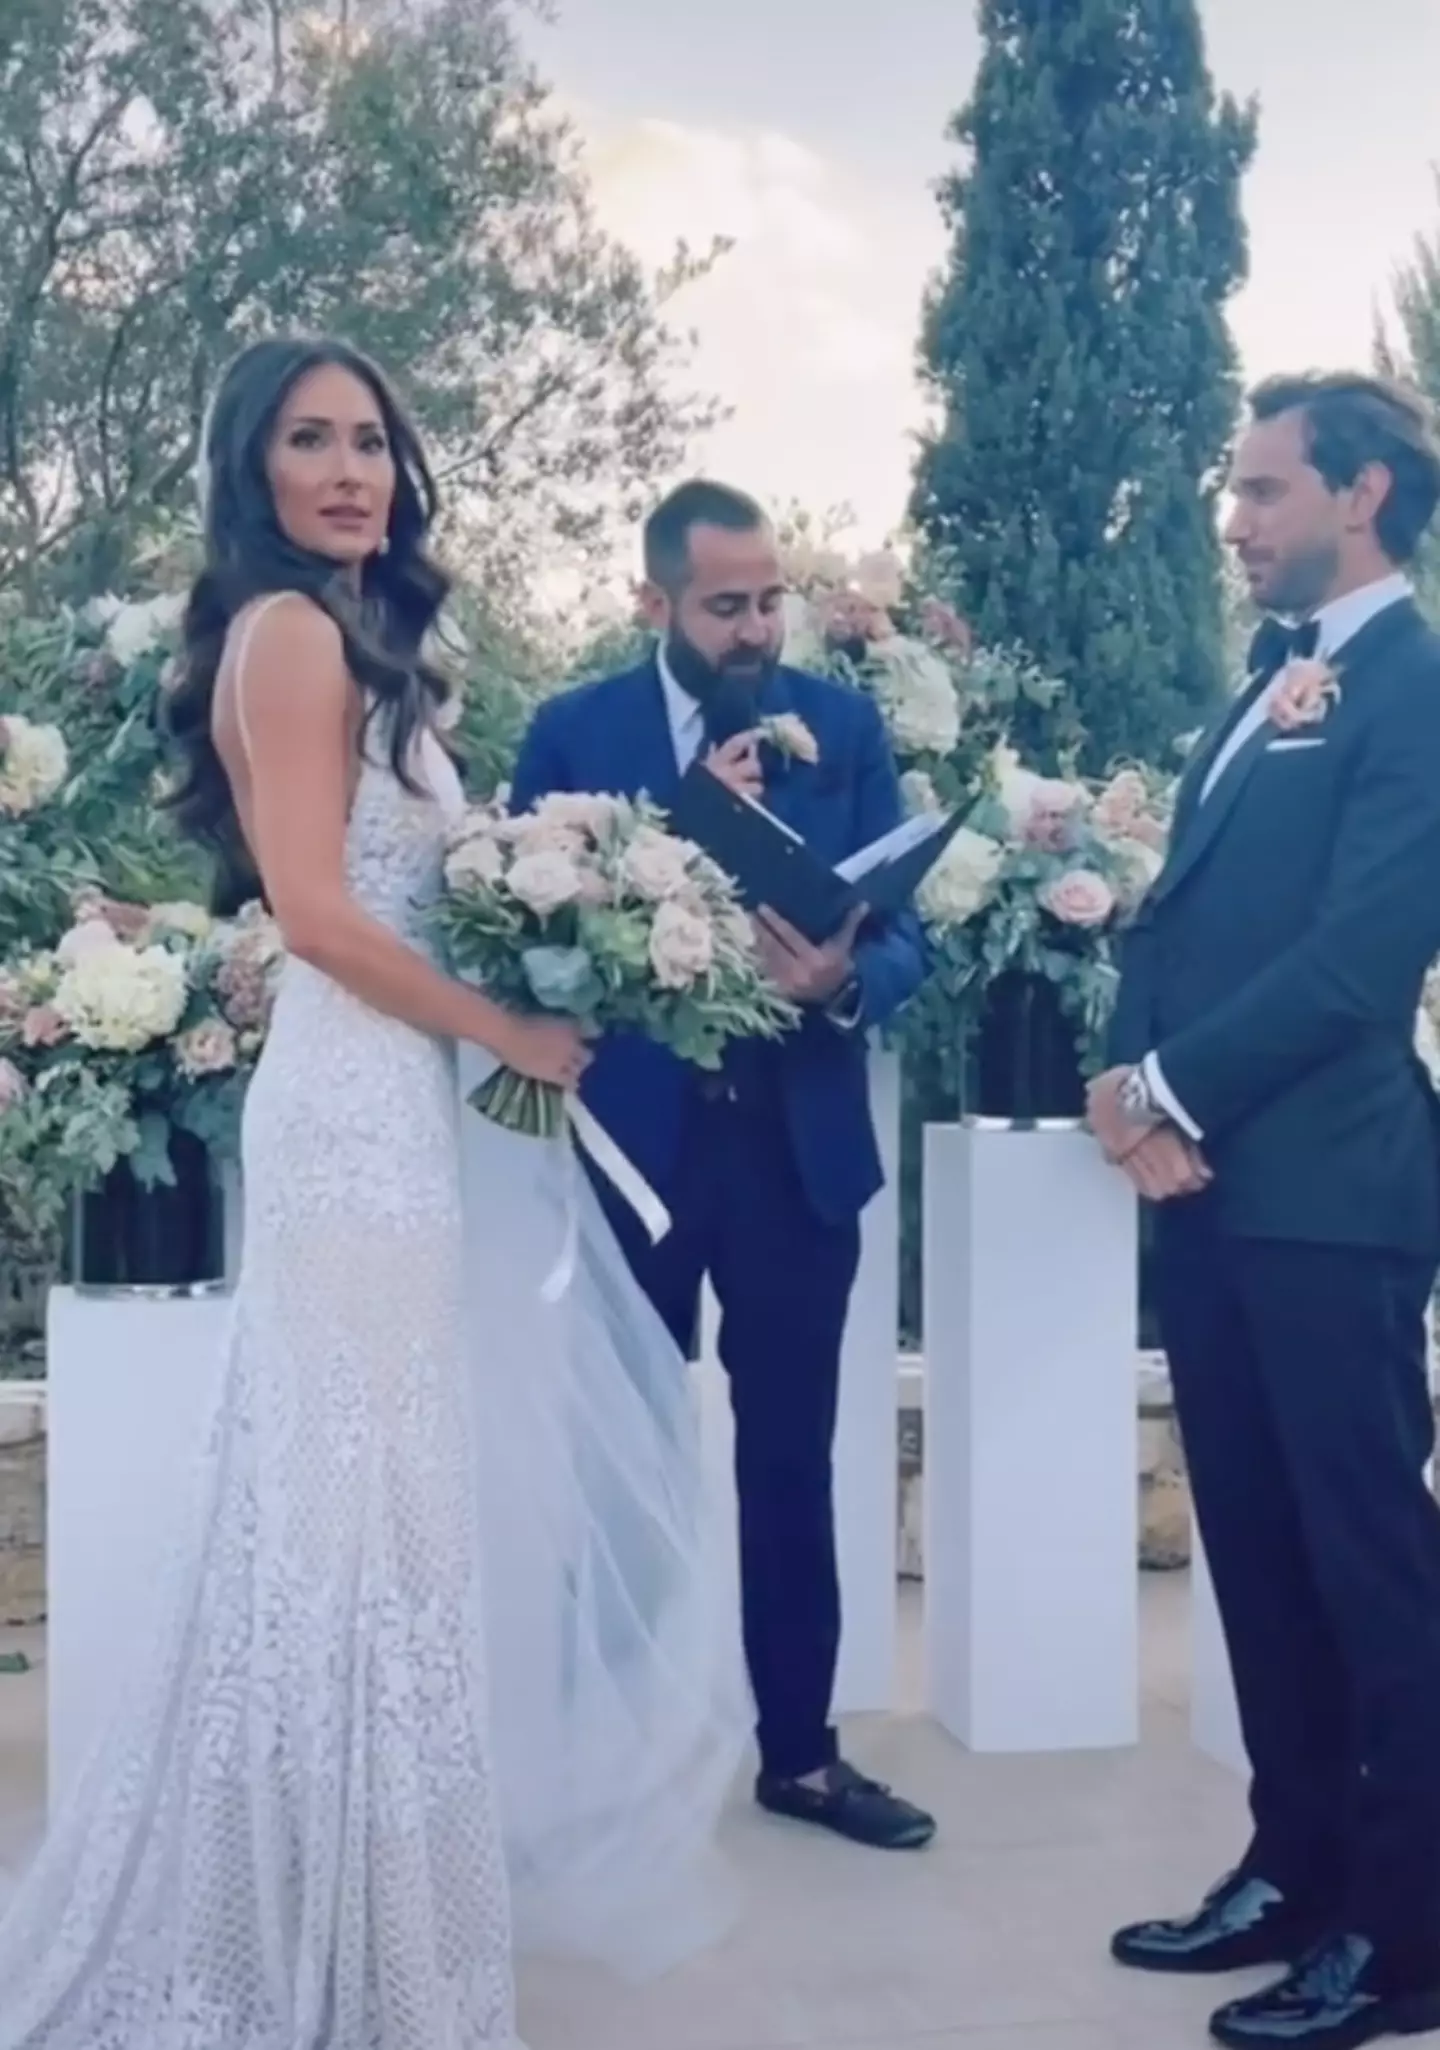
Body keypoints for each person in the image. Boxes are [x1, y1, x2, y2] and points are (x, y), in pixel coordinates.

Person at [0, 337, 748, 2048]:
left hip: (402, 1103)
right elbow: (320, 918)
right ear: (252, 473)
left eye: (370, 442)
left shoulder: (368, 647)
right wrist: (510, 1029)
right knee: (344, 1519)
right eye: (308, 442)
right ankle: (315, 1941)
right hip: (353, 1112)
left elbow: (401, 897)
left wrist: (536, 946)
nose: (350, 471)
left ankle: (361, 1923)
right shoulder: (280, 633)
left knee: (376, 1513)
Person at [509, 480, 936, 1852]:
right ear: (656, 603)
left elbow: (906, 937)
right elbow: (526, 941)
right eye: (726, 603)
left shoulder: (846, 727)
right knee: (620, 1451)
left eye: (770, 599)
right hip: (638, 1148)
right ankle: (604, 1754)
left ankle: (800, 1755)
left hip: (794, 1153)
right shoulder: (576, 730)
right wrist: (680, 835)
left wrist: (839, 979)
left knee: (793, 1460)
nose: (757, 628)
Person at [1091, 373, 1440, 2050]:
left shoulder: (1416, 683)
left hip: (1335, 1195)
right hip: (1220, 1194)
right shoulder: (1262, 681)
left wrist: (1172, 1091)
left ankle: (1412, 1926)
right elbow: (1175, 920)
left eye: (1262, 491)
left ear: (1361, 494)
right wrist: (1119, 1082)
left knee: (1372, 1570)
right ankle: (1293, 1870)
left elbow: (1363, 961)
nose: (1233, 520)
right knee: (1258, 1557)